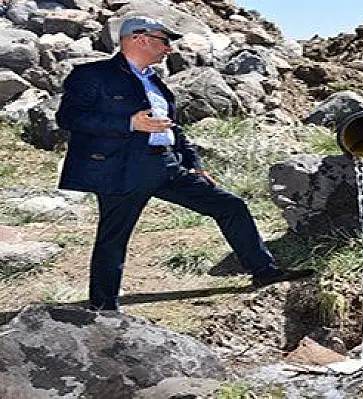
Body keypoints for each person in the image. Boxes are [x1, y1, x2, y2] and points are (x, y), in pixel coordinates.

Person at [56, 16, 311, 311]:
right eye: (164, 41)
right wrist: (128, 123)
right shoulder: (92, 75)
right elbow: (69, 118)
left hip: (167, 167)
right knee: (113, 238)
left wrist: (194, 163)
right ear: (140, 38)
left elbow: (173, 129)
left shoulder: (155, 82)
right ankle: (104, 307)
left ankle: (264, 272)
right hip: (122, 169)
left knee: (230, 206)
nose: (169, 49)